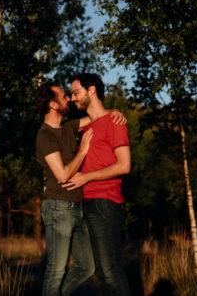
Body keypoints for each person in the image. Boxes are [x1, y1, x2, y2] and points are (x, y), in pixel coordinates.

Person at [35, 81, 126, 296]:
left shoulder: (68, 127)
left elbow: (98, 116)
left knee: (87, 266)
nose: (68, 98)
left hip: (77, 207)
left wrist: (115, 112)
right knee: (55, 270)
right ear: (53, 105)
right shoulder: (45, 136)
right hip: (58, 208)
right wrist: (83, 151)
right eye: (63, 96)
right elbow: (63, 175)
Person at [63, 73, 132, 296]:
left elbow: (124, 165)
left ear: (91, 90)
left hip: (106, 203)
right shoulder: (86, 126)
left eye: (76, 92)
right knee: (101, 272)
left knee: (110, 271)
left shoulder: (115, 122)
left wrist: (86, 177)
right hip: (86, 204)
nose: (73, 98)